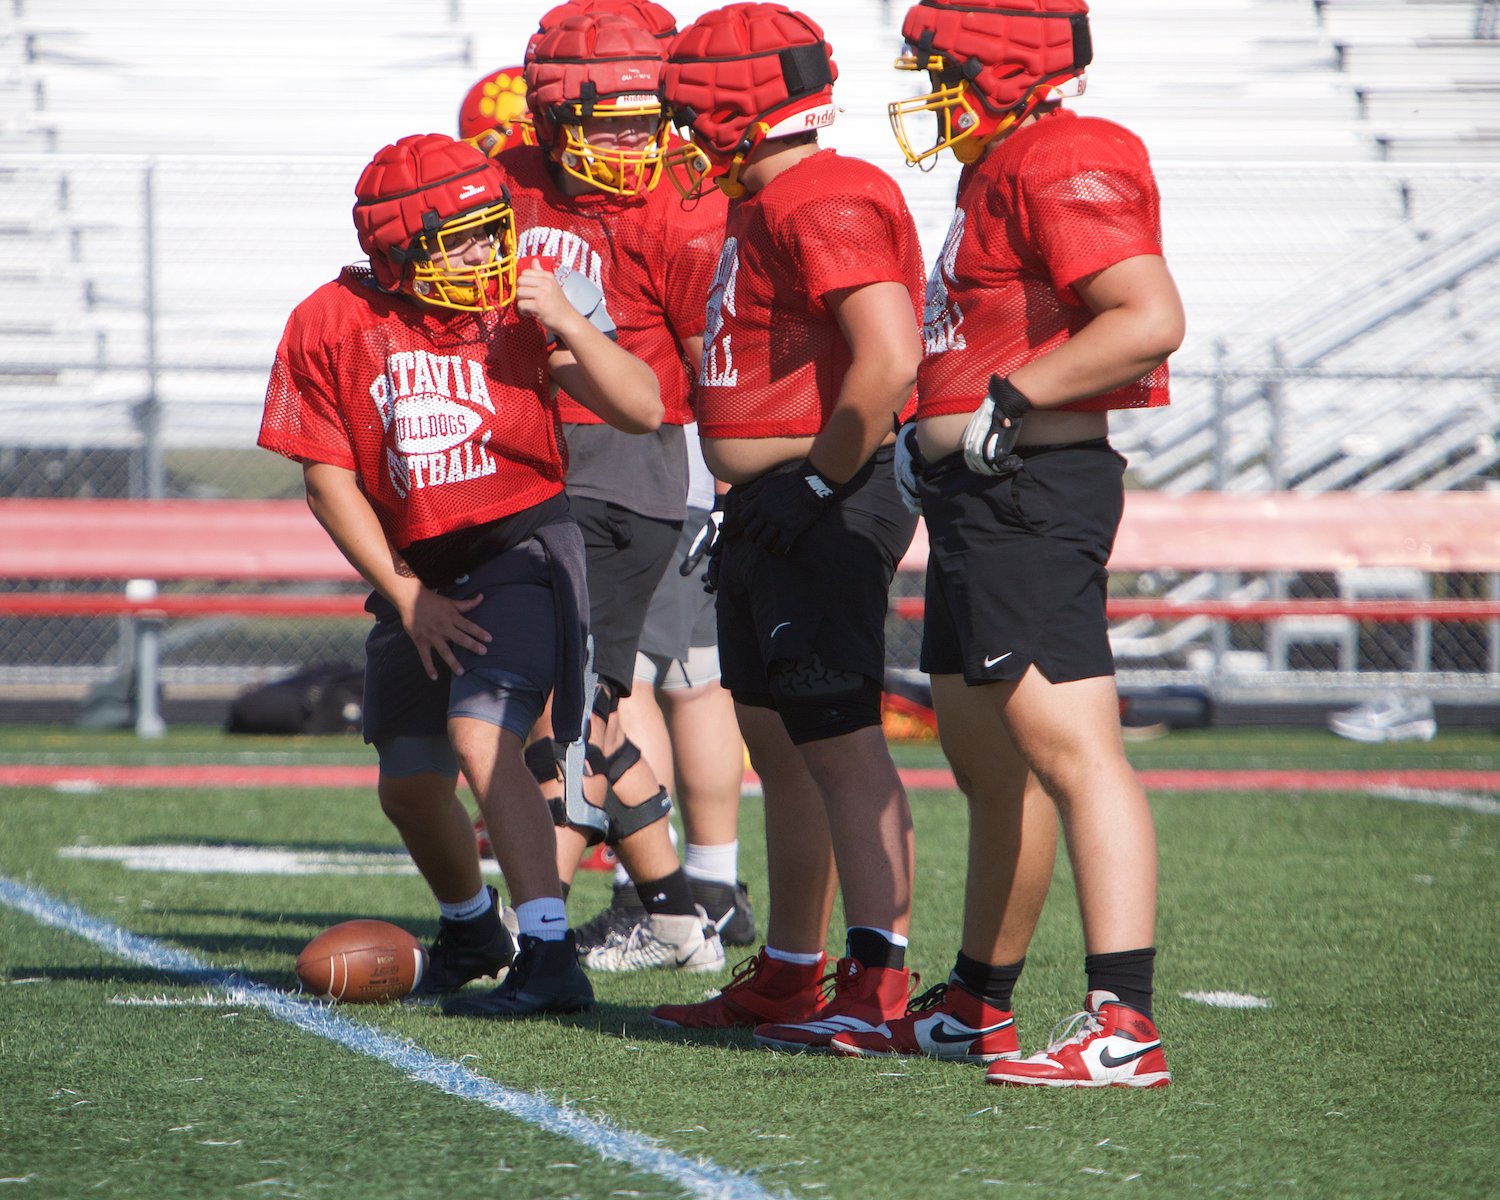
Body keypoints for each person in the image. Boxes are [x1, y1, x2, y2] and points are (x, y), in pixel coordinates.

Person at [826, 0, 1184, 1087]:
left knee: (1073, 749)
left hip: (1032, 488)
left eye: (940, 70)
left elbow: (1147, 314)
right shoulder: (1004, 162)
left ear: (997, 67)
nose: (927, 92)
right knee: (990, 761)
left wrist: (1007, 399)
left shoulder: (1065, 151)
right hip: (980, 493)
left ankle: (1123, 1022)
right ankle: (979, 1000)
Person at [257, 132, 663, 1017]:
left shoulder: (524, 305)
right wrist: (405, 596)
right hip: (417, 568)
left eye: (492, 228)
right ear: (398, 253)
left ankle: (549, 954)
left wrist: (565, 321)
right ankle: (473, 927)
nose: (488, 253)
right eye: (464, 238)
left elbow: (642, 406)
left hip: (521, 541)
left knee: (486, 737)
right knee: (408, 779)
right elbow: (326, 477)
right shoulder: (328, 322)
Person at [648, 2, 927, 1052]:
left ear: (737, 107)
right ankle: (794, 971)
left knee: (842, 742)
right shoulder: (767, 200)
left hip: (824, 495)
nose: (677, 134)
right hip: (774, 504)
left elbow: (888, 358)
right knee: (785, 742)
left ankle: (880, 981)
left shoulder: (823, 191)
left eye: (688, 111)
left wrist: (816, 485)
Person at [492, 8, 732, 973]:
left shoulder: (681, 199)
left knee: (579, 706)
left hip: (634, 462)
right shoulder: (505, 181)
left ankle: (542, 928)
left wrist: (721, 482)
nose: (636, 145)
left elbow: (709, 360)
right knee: (568, 704)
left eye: (649, 120)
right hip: (522, 460)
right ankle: (675, 912)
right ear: (552, 120)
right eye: (612, 124)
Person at [617, 430, 756, 948]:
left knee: (624, 679)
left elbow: (703, 355)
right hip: (699, 486)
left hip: (642, 486)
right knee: (696, 681)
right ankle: (714, 888)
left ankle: (644, 894)